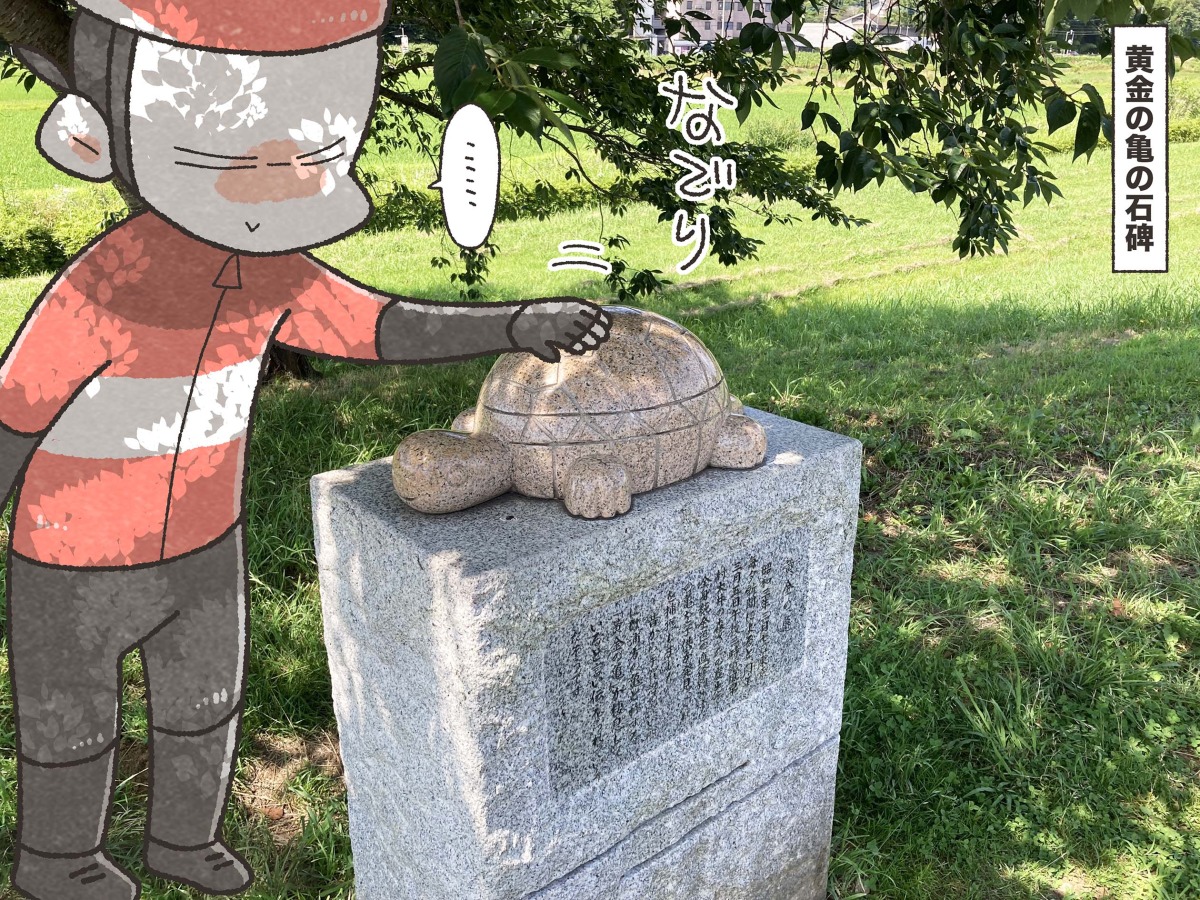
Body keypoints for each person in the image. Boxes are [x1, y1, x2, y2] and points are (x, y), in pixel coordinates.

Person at [0, 2, 611, 897]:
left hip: (204, 541)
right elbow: (16, 411)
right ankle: (57, 859)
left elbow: (382, 326)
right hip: (70, 551)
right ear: (92, 134)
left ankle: (182, 841)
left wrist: (515, 324)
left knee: (204, 702)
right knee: (72, 716)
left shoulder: (275, 273)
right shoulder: (105, 281)